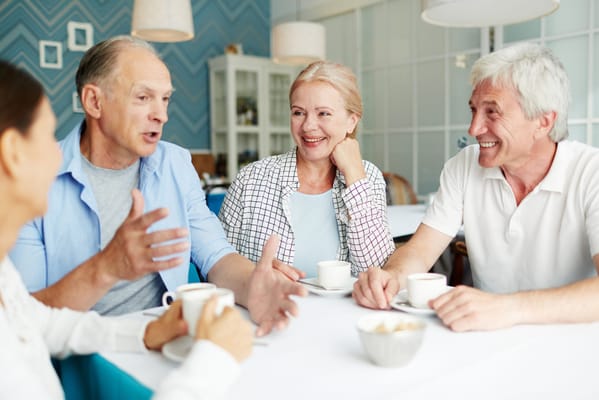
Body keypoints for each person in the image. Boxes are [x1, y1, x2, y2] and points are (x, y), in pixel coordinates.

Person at [9, 36, 305, 335]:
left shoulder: (175, 163)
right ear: (94, 101)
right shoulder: (32, 176)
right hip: (80, 351)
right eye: (143, 97)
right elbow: (22, 315)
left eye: (165, 99)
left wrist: (252, 284)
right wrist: (106, 267)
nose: (161, 115)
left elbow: (216, 255)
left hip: (166, 338)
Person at [0, 59, 254, 399]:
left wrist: (147, 332)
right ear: (13, 153)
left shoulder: (3, 277)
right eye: (46, 136)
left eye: (165, 99)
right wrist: (215, 360)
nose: (161, 115)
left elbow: (40, 323)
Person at [353, 42, 599, 331]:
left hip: (570, 342)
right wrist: (391, 276)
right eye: (474, 110)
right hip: (487, 335)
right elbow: (420, 251)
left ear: (543, 122)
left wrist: (509, 307)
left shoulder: (590, 172)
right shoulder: (463, 165)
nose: (473, 128)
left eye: (492, 112)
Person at [219, 61, 394, 279]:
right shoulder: (251, 179)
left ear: (351, 121)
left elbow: (376, 271)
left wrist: (355, 177)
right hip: (263, 311)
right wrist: (253, 275)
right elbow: (217, 265)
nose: (308, 126)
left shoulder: (368, 177)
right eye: (298, 112)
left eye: (323, 114)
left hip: (341, 312)